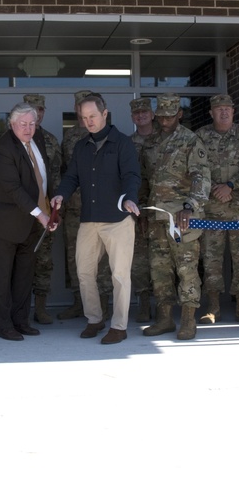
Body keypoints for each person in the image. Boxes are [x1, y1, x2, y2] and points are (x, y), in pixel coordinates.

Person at [52, 95, 141, 344]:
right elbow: (72, 177)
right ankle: (94, 319)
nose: (88, 121)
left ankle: (119, 326)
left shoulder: (122, 143)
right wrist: (61, 194)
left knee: (120, 275)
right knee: (84, 272)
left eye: (92, 116)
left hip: (117, 219)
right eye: (83, 117)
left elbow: (132, 175)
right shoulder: (82, 147)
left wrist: (129, 198)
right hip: (89, 219)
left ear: (105, 114)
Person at [0, 103, 56, 341]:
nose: (28, 128)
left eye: (32, 124)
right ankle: (4, 326)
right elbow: (13, 188)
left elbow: (41, 180)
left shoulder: (36, 142)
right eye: (23, 124)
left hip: (29, 224)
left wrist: (51, 208)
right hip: (2, 225)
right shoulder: (4, 148)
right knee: (2, 279)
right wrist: (41, 214)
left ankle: (21, 321)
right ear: (12, 125)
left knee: (24, 277)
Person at [141, 94, 210, 340]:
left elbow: (201, 177)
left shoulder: (191, 141)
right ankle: (165, 319)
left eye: (170, 115)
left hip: (183, 220)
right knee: (159, 270)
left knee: (186, 269)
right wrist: (141, 209)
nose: (165, 119)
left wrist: (190, 206)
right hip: (157, 218)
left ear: (179, 114)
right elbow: (145, 180)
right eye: (161, 115)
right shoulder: (150, 142)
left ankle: (189, 320)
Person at [195, 94, 239, 325]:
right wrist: (214, 188)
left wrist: (230, 186)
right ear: (211, 112)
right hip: (212, 209)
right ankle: (213, 306)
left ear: (233, 111)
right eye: (218, 109)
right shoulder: (200, 136)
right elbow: (196, 168)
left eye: (227, 109)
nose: (223, 112)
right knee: (211, 259)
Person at [56, 89, 113, 321]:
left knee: (104, 259)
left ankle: (104, 303)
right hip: (75, 210)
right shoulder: (70, 137)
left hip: (102, 208)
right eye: (79, 105)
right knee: (76, 258)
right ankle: (80, 303)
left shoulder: (108, 134)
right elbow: (65, 172)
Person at [23, 93, 62, 324]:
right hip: (21, 211)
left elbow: (57, 176)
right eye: (31, 109)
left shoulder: (51, 140)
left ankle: (40, 307)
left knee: (44, 261)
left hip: (46, 212)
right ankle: (20, 310)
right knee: (21, 260)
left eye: (40, 109)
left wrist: (56, 209)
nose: (36, 114)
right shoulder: (13, 138)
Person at [129, 97, 157, 322]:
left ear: (153, 114)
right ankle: (144, 304)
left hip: (160, 208)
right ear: (132, 117)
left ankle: (166, 304)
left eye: (144, 112)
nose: (141, 116)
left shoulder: (165, 141)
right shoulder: (127, 144)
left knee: (161, 258)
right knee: (138, 259)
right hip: (136, 209)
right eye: (137, 113)